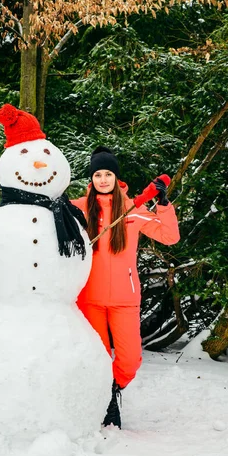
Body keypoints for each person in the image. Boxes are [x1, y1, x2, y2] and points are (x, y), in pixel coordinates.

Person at [71, 146, 180, 429]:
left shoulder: (132, 209)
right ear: (91, 179)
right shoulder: (81, 207)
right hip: (89, 298)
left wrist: (164, 204)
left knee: (130, 360)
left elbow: (169, 236)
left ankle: (111, 390)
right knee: (96, 358)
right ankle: (104, 405)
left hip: (124, 298)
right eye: (98, 174)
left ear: (116, 178)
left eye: (108, 174)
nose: (103, 179)